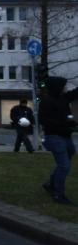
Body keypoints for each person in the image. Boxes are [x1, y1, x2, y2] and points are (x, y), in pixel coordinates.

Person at [39, 76, 78, 204]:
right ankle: (58, 194)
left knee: (69, 155)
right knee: (64, 166)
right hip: (54, 137)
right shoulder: (46, 101)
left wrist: (68, 124)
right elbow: (43, 120)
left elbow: (75, 93)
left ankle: (51, 184)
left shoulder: (64, 98)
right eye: (63, 86)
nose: (65, 88)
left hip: (65, 136)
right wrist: (65, 123)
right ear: (57, 87)